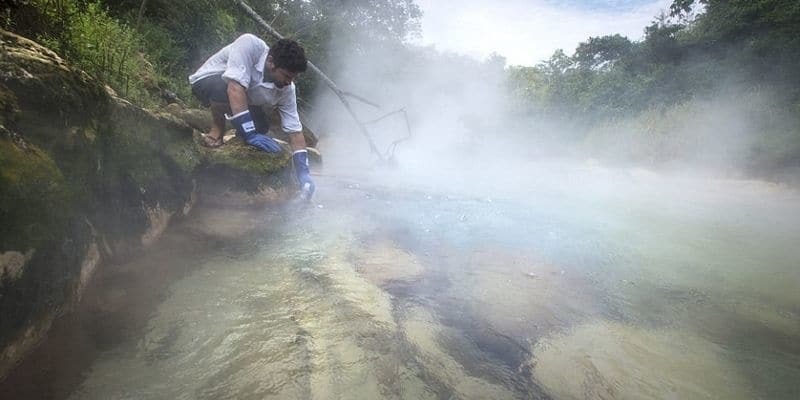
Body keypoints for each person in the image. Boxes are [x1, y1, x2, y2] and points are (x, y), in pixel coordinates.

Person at [189, 34, 314, 200]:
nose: (288, 82)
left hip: (242, 95)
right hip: (208, 81)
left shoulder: (287, 89)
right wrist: (249, 133)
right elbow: (234, 87)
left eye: (293, 78)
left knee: (261, 127)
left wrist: (304, 173)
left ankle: (239, 133)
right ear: (271, 62)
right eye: (286, 76)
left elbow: (295, 131)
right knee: (223, 88)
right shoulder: (249, 45)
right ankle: (218, 128)